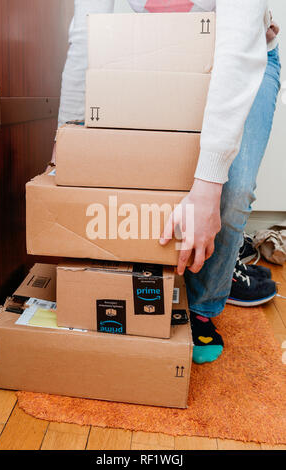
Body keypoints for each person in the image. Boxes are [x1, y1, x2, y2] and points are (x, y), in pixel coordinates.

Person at [55, 0, 281, 364]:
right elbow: (85, 35)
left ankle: (204, 303)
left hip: (242, 55)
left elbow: (237, 51)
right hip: (168, 54)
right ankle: (199, 267)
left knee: (232, 190)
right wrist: (65, 142)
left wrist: (210, 186)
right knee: (149, 169)